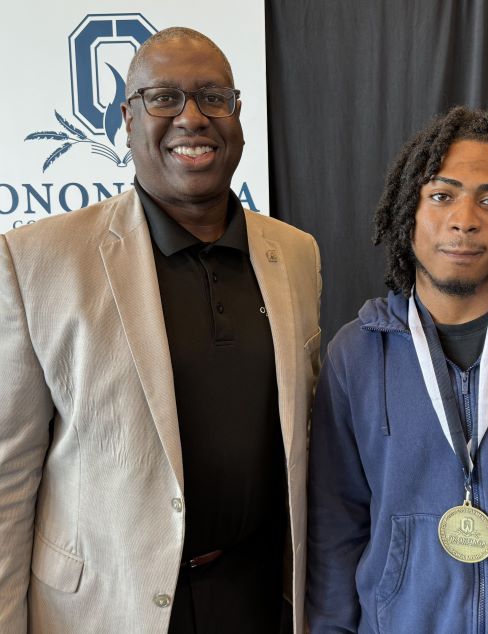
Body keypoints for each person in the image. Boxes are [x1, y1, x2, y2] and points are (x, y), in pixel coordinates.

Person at [0, 27, 321, 634]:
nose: (192, 118)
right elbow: (8, 478)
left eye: (213, 97)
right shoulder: (36, 260)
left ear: (239, 118)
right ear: (126, 118)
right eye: (164, 98)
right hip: (104, 607)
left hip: (260, 599)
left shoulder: (296, 254)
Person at [307, 106, 488, 633]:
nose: (465, 219)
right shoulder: (356, 355)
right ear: (408, 212)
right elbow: (335, 532)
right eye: (442, 196)